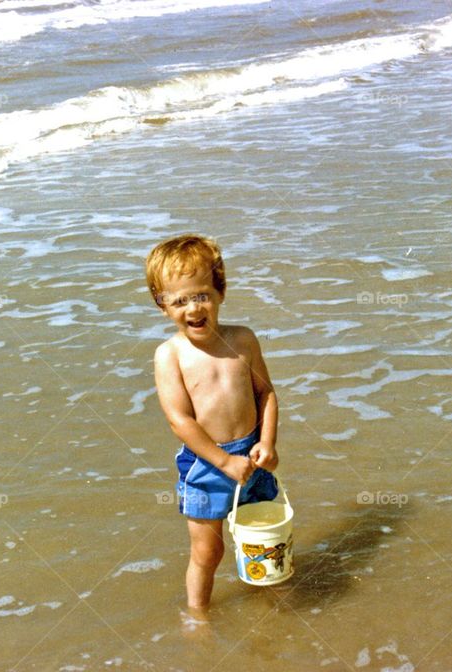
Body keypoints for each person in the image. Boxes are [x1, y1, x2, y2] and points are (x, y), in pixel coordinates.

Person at [146, 234, 280, 609]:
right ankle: (198, 614)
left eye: (201, 294)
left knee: (263, 540)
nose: (193, 308)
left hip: (252, 455)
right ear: (162, 306)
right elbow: (180, 420)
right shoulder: (169, 355)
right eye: (179, 300)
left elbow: (265, 394)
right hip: (206, 464)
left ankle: (272, 603)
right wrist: (222, 461)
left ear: (220, 291)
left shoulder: (244, 340)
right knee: (208, 553)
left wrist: (267, 443)